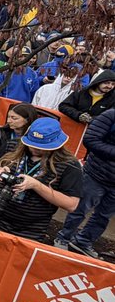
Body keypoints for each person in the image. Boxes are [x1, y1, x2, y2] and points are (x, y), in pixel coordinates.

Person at [0, 116, 82, 242]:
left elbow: (71, 204)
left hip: (28, 232)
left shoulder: (70, 165)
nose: (35, 149)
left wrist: (36, 185)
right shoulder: (13, 144)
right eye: (32, 144)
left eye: (42, 147)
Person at [54, 106, 115, 257]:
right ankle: (63, 237)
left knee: (103, 216)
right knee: (80, 208)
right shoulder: (111, 115)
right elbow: (91, 139)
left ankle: (83, 241)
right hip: (97, 173)